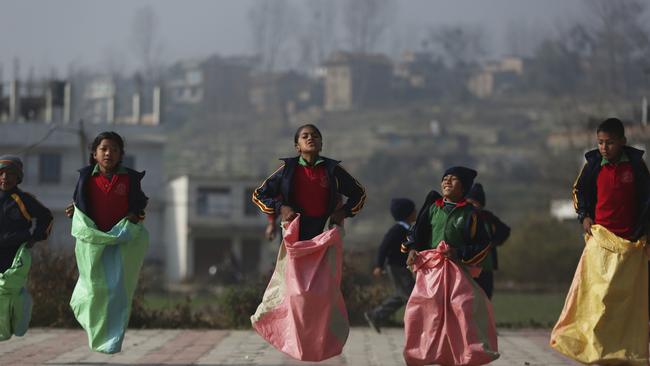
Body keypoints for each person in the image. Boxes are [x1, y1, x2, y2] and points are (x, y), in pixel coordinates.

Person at [551, 117, 650, 364]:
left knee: (622, 299)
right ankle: (591, 347)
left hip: (629, 243)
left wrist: (643, 232)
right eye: (601, 142)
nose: (604, 148)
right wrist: (584, 216)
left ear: (623, 142)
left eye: (610, 143)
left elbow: (648, 200)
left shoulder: (636, 167)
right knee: (596, 295)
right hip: (599, 239)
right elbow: (579, 191)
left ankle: (621, 348)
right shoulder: (593, 164)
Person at [252, 124, 366, 240]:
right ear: (297, 147)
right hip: (293, 233)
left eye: (315, 136)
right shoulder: (287, 170)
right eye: (305, 136)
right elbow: (259, 195)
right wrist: (281, 209)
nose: (310, 138)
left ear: (321, 145)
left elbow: (359, 194)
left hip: (325, 233)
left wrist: (343, 212)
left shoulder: (333, 170)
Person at [403, 166, 491, 267]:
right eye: (445, 179)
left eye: (454, 179)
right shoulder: (432, 208)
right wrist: (413, 248)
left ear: (464, 188)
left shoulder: (470, 214)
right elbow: (416, 231)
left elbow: (483, 243)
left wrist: (458, 253)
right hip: (431, 268)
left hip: (458, 269)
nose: (447, 182)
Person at [65, 131, 147, 230]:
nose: (108, 153)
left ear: (120, 155)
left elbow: (140, 208)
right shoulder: (85, 179)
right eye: (103, 149)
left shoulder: (130, 179)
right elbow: (79, 205)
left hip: (121, 240)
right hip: (94, 241)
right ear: (95, 154)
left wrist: (136, 215)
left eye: (114, 150)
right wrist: (74, 212)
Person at [364, 198, 416, 333]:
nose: (416, 212)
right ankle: (418, 323)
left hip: (401, 267)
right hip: (395, 267)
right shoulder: (397, 230)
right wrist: (379, 265)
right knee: (411, 295)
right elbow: (383, 247)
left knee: (402, 294)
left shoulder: (408, 229)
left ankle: (376, 315)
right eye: (414, 210)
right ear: (408, 214)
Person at [0, 155, 53, 273]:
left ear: (18, 177)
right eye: (1, 173)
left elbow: (46, 217)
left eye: (10, 174)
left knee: (10, 289)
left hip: (14, 256)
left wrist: (35, 237)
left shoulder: (24, 200)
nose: (4, 177)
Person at [465, 183, 510, 299]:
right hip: (468, 266)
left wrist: (493, 243)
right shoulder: (463, 217)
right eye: (470, 202)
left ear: (481, 204)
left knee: (485, 296)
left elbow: (505, 230)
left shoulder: (488, 217)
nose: (473, 205)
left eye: (475, 202)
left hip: (486, 265)